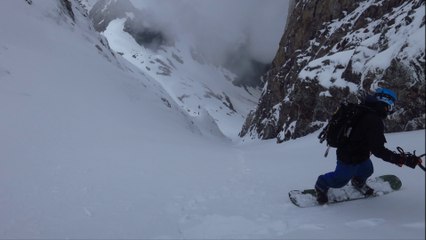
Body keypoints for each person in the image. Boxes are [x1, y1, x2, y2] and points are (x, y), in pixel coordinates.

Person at [315, 88, 423, 204]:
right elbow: (378, 150)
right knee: (340, 180)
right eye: (390, 106)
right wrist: (403, 160)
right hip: (348, 155)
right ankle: (321, 184)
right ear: (385, 104)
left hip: (361, 153)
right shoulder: (373, 120)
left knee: (367, 170)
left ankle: (358, 182)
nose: (390, 110)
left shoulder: (367, 110)